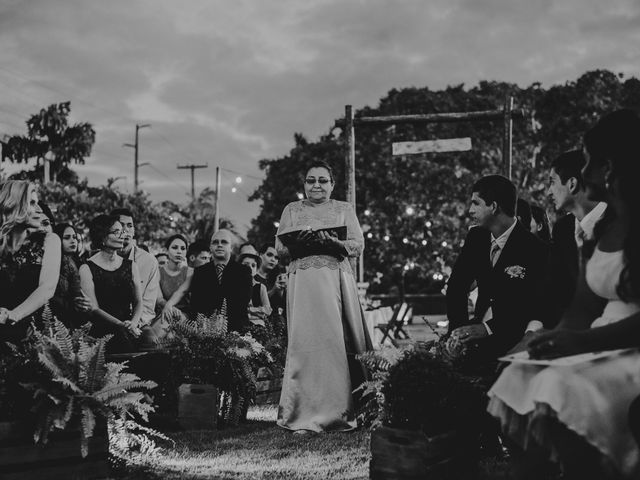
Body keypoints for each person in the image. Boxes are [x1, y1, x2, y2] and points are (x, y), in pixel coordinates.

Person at [488, 110, 640, 479]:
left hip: (630, 345)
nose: (583, 172)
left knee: (560, 386)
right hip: (598, 338)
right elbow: (582, 306)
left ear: (611, 166)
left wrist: (581, 341)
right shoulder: (606, 229)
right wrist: (550, 337)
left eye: (588, 161)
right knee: (518, 374)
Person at [276, 160, 372, 433]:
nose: (316, 185)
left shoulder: (344, 209)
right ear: (304, 184)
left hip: (334, 281)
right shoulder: (291, 210)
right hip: (302, 282)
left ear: (332, 184)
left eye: (322, 180)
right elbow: (280, 250)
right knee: (304, 343)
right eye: (310, 180)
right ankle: (300, 411)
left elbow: (357, 245)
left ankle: (339, 410)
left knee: (333, 343)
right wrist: (300, 242)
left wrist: (335, 244)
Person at [446, 175, 548, 363]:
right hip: (475, 337)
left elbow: (532, 305)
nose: (470, 210)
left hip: (513, 341)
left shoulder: (535, 249)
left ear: (494, 206)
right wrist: (458, 332)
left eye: (476, 203)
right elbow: (457, 286)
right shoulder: (476, 238)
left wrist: (488, 328)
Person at [0, 181, 61, 342]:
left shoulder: (50, 241)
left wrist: (13, 315)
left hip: (35, 335)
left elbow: (47, 288)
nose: (38, 210)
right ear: (14, 205)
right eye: (32, 203)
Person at [79, 214, 142, 353]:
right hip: (102, 332)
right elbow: (93, 309)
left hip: (129, 328)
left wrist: (134, 323)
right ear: (102, 236)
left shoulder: (131, 266)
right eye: (116, 232)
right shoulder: (86, 268)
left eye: (122, 232)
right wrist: (121, 325)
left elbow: (138, 301)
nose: (122, 236)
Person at [187, 229, 252, 333]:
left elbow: (242, 304)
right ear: (210, 248)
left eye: (224, 242)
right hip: (205, 333)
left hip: (235, 331)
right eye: (215, 242)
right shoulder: (200, 272)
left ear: (231, 248)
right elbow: (196, 305)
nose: (219, 245)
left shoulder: (243, 271)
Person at [111, 208, 159, 328]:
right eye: (121, 225)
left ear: (134, 231)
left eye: (130, 225)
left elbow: (148, 305)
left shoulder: (149, 261)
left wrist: (134, 324)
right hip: (108, 319)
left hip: (139, 323)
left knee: (152, 342)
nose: (126, 229)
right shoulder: (100, 258)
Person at [51, 223, 90, 327]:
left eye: (74, 237)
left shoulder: (80, 263)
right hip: (56, 320)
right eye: (67, 238)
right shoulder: (53, 264)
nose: (73, 241)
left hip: (75, 321)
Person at [157, 234, 191, 311]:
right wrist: (172, 309)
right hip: (164, 312)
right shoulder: (158, 272)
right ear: (166, 250)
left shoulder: (190, 272)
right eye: (174, 248)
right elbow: (159, 298)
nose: (179, 251)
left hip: (186, 316)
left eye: (183, 249)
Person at [239, 251, 272, 325]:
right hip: (239, 324)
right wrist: (259, 311)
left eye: (253, 265)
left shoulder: (261, 287)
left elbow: (267, 310)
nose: (250, 268)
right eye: (246, 265)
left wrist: (250, 309)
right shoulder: (235, 286)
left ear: (256, 270)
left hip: (257, 324)